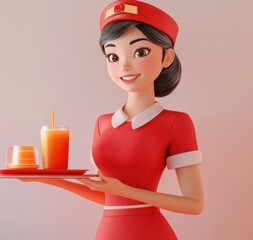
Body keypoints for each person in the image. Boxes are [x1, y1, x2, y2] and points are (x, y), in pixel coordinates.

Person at [22, 1, 204, 239]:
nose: (124, 66)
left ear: (167, 57)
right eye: (113, 55)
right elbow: (106, 195)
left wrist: (126, 190)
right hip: (108, 232)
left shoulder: (175, 123)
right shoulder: (102, 123)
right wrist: (46, 179)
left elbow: (194, 204)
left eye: (140, 52)